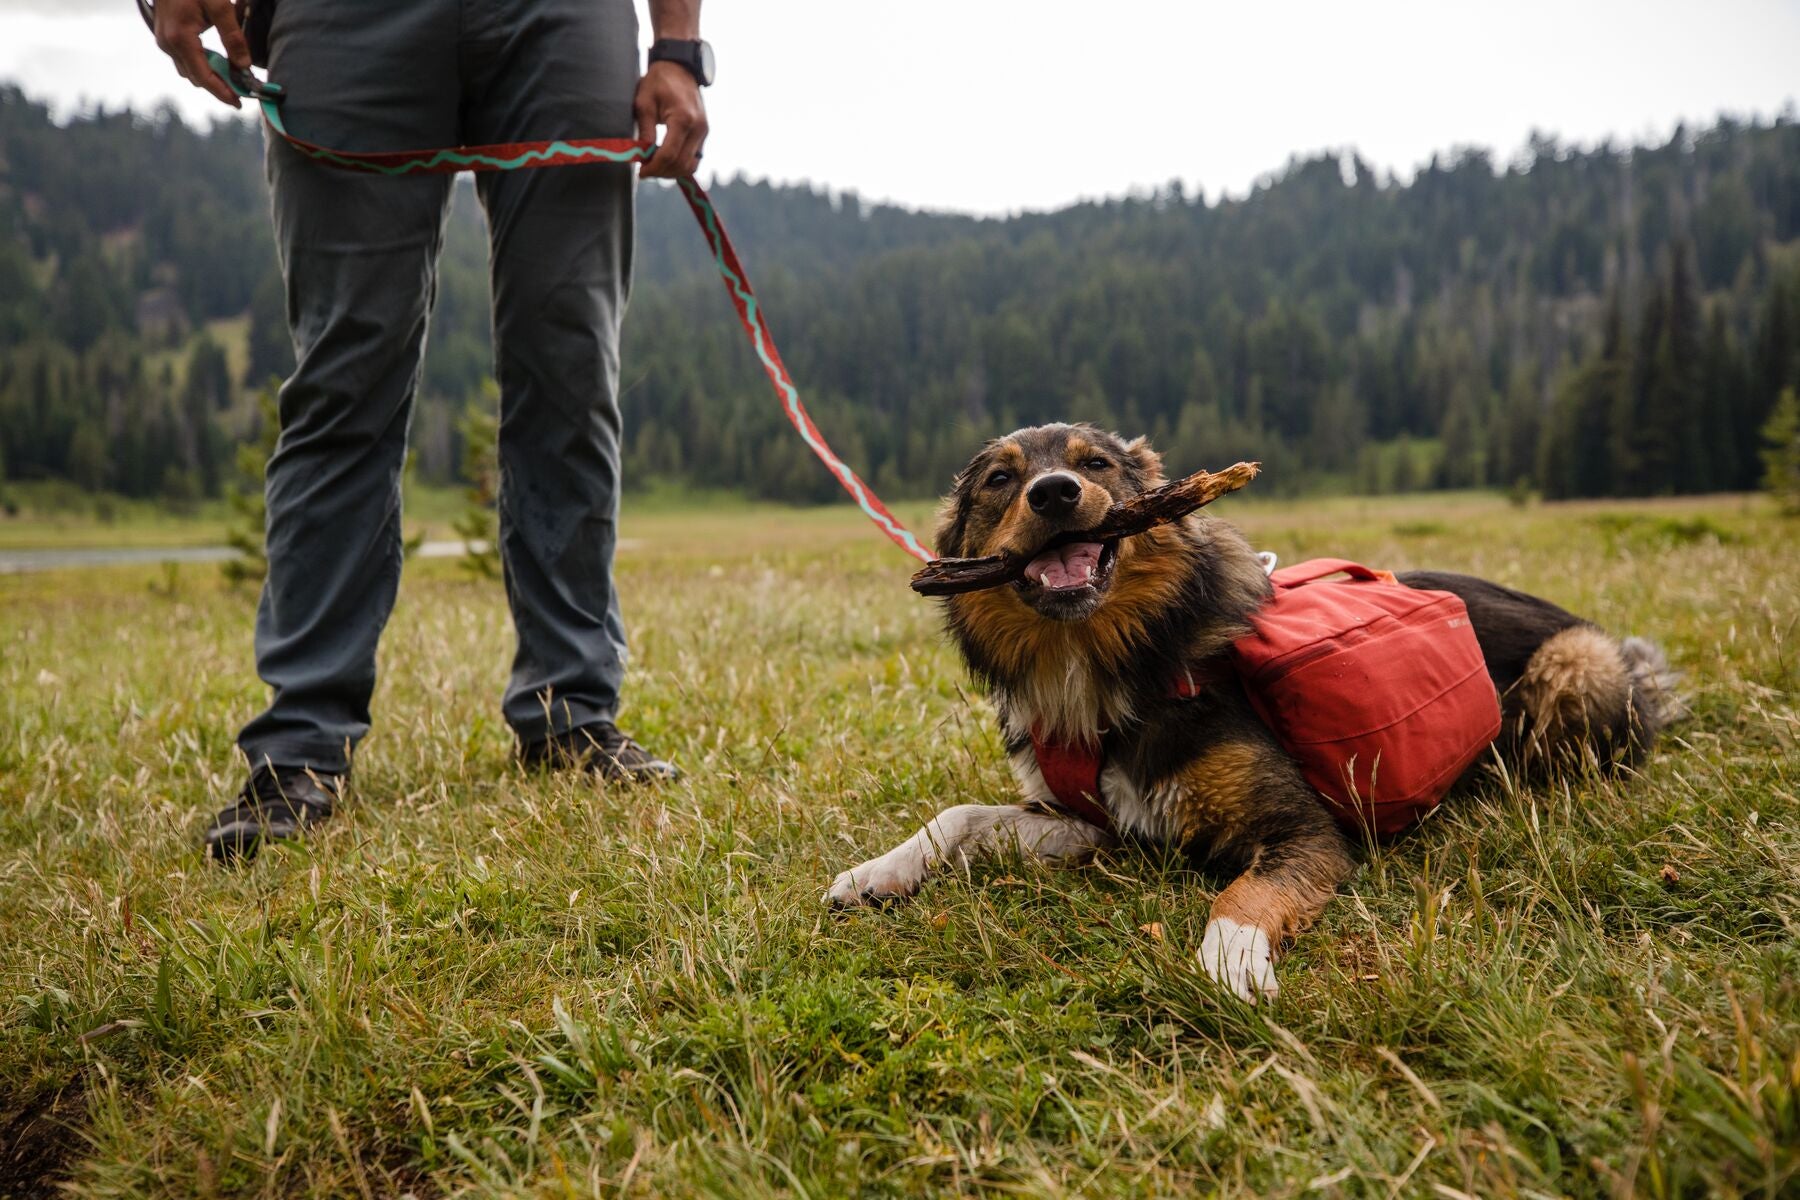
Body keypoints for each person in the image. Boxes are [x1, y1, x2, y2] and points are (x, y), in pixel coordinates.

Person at [149, 0, 712, 860]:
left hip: (561, 20)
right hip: (343, 20)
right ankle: (301, 744)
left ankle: (571, 713)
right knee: (344, 378)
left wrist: (677, 46)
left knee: (570, 372)